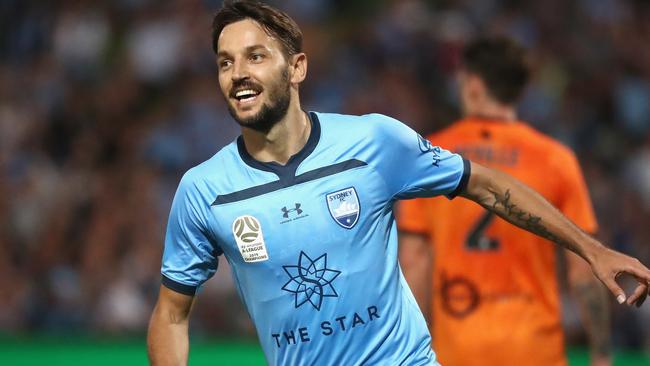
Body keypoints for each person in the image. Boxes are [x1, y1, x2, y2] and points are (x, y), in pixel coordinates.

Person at [147, 1, 650, 365]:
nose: (237, 73)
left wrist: (591, 249)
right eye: (225, 62)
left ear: (296, 67)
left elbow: (488, 185)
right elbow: (171, 315)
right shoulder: (203, 190)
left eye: (255, 56)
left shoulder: (373, 141)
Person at [397, 37, 614, 366]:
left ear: (472, 84)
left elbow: (415, 261)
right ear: (520, 90)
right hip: (534, 350)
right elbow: (583, 270)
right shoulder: (555, 159)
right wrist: (601, 351)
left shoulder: (433, 156)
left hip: (459, 349)